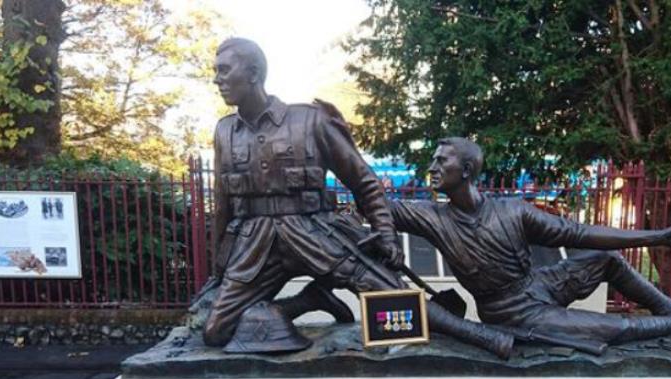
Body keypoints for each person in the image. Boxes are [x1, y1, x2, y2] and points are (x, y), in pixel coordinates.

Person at [202, 39, 512, 357]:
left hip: (314, 232)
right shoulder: (225, 132)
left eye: (224, 70)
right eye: (216, 71)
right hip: (257, 243)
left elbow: (364, 183)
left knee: (394, 299)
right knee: (216, 332)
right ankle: (309, 300)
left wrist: (387, 237)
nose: (217, 79)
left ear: (253, 73)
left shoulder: (309, 121)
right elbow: (223, 205)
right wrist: (219, 270)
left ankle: (481, 336)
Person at [388, 137, 671, 351]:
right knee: (619, 329)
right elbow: (375, 202)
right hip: (511, 312)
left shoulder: (512, 211)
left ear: (466, 170)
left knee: (605, 259)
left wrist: (656, 237)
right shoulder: (431, 217)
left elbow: (579, 234)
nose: (431, 167)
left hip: (538, 285)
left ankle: (670, 309)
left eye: (440, 160)